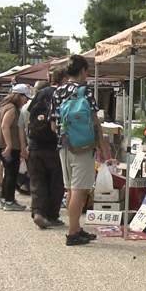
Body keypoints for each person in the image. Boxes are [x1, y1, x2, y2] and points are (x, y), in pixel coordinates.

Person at [53, 55, 111, 246]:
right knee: (81, 189)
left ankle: (76, 227)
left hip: (64, 145)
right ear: (83, 71)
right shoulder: (85, 91)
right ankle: (72, 233)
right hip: (83, 147)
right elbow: (95, 123)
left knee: (70, 188)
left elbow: (53, 124)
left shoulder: (57, 91)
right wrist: (102, 146)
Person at [27, 70, 66, 229]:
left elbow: (30, 115)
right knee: (56, 182)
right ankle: (52, 215)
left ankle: (38, 212)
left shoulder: (41, 93)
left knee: (38, 180)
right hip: (54, 145)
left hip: (36, 144)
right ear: (64, 78)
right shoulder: (63, 94)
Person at [0, 83, 33, 211]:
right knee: (11, 173)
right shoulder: (11, 108)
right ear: (18, 96)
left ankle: (6, 199)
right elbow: (5, 126)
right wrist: (9, 145)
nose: (26, 100)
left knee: (8, 173)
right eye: (25, 97)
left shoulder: (3, 106)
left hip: (1, 145)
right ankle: (9, 201)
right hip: (8, 146)